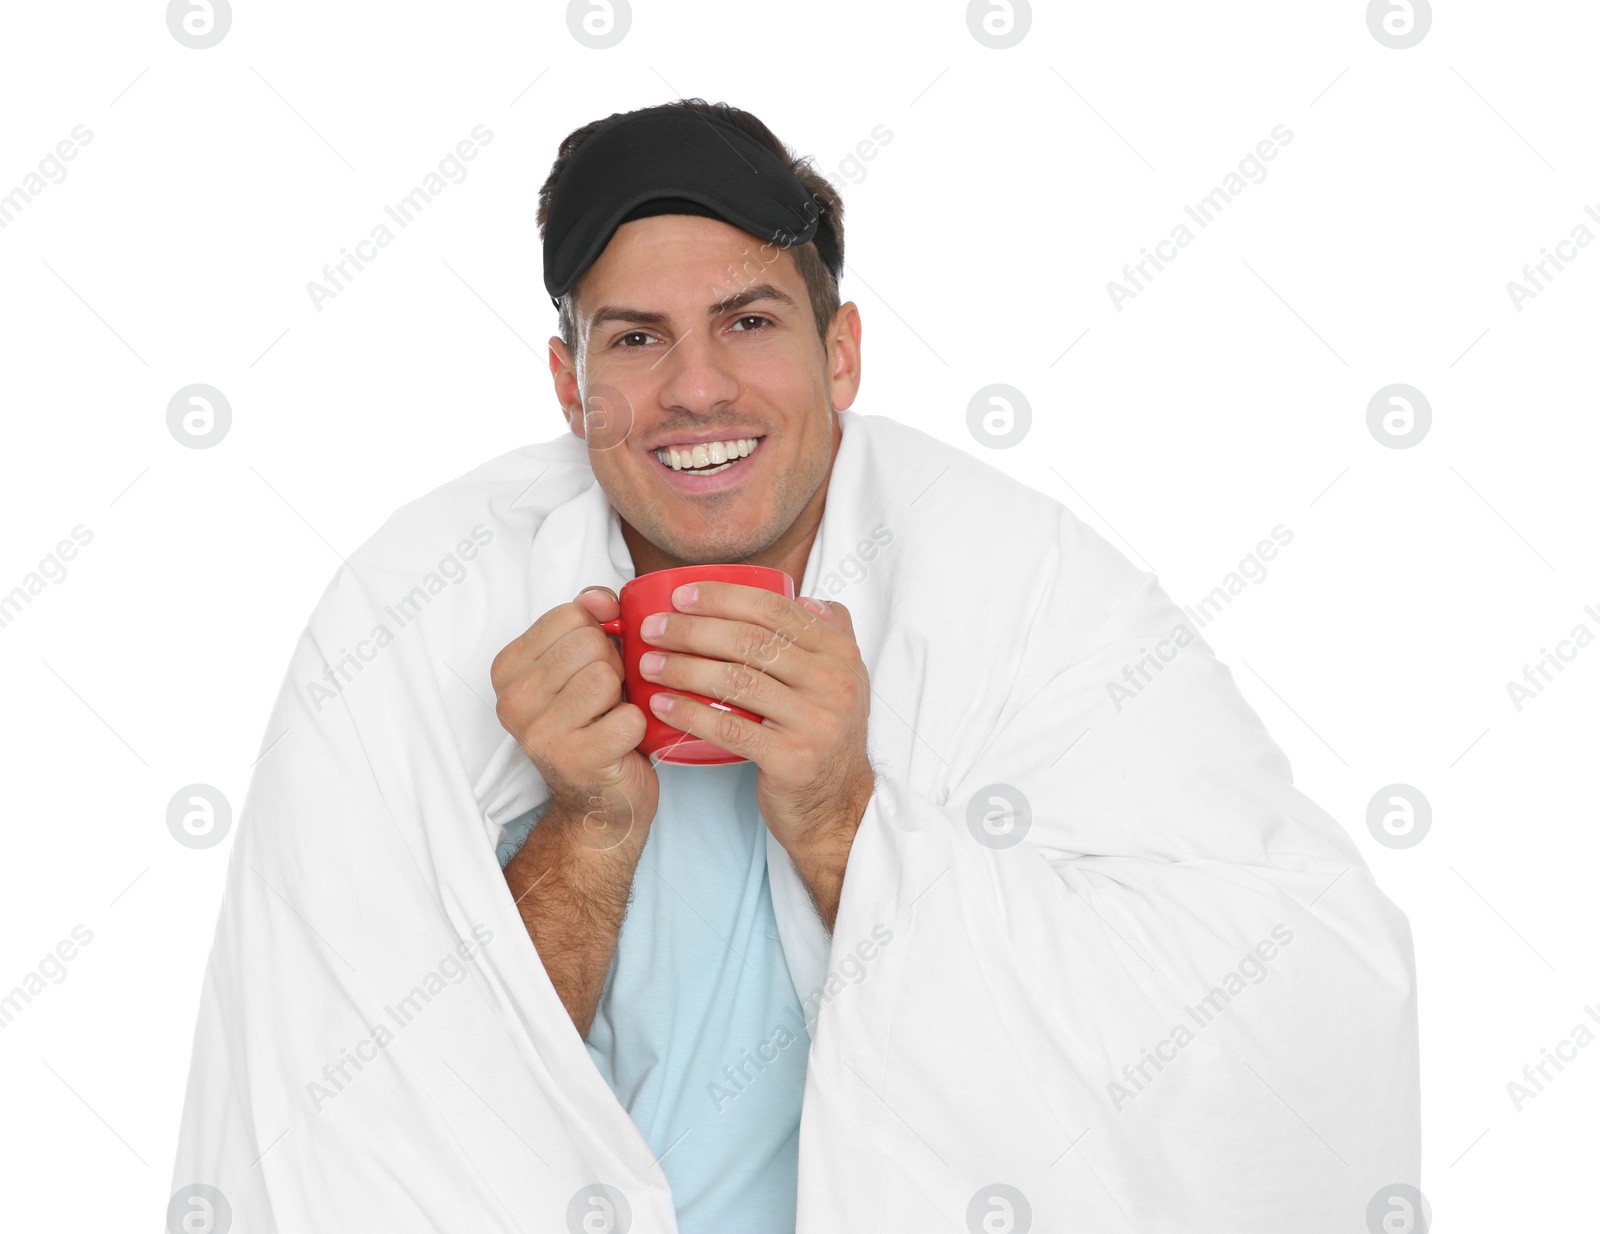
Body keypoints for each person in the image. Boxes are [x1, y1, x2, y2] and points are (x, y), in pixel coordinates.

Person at [170, 99, 1421, 1233]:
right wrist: (588, 829)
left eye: (749, 321)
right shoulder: (416, 610)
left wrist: (844, 820)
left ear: (841, 356)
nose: (694, 387)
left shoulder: (1012, 581)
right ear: (571, 384)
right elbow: (355, 1112)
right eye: (637, 339)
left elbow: (1296, 1001)